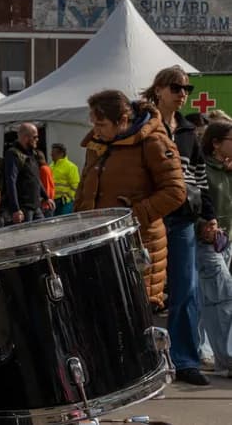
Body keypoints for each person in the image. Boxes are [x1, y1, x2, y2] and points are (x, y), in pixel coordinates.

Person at [73, 89, 189, 373]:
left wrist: (131, 216)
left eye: (101, 124)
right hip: (99, 245)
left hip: (138, 247)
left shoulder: (152, 142)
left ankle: (150, 376)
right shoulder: (97, 144)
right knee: (105, 319)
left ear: (123, 119)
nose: (95, 129)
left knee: (135, 319)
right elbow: (84, 189)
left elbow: (176, 192)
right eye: (94, 123)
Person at [141, 66, 216, 386]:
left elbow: (200, 177)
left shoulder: (187, 131)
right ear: (158, 88)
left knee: (186, 290)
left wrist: (207, 215)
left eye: (186, 88)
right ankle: (144, 360)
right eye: (175, 87)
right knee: (145, 292)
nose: (182, 93)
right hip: (151, 218)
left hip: (184, 219)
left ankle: (185, 360)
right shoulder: (142, 124)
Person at [196, 120, 232, 376]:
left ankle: (216, 356)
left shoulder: (227, 170)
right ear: (216, 143)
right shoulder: (203, 170)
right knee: (224, 297)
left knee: (210, 301)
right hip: (207, 242)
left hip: (226, 242)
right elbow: (192, 202)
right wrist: (203, 226)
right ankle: (228, 358)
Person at [2, 123, 52, 224]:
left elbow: (36, 179)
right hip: (23, 209)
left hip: (35, 206)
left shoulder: (32, 154)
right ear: (25, 138)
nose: (37, 139)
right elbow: (11, 182)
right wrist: (15, 209)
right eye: (35, 137)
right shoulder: (13, 154)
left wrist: (46, 197)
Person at [50, 143, 80, 216]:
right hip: (53, 201)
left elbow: (76, 185)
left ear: (61, 154)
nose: (51, 155)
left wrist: (67, 198)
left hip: (65, 202)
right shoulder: (51, 166)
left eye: (53, 153)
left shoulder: (71, 167)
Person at [35, 150, 56, 218]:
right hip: (47, 203)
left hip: (45, 205)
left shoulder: (43, 169)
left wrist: (44, 202)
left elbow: (46, 187)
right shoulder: (46, 168)